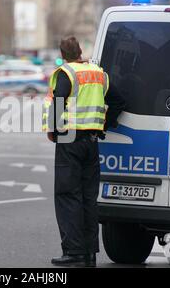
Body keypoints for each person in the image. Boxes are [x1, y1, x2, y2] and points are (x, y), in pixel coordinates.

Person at [42, 37, 126, 267]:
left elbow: (58, 101)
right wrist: (103, 125)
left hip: (70, 140)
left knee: (68, 196)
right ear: (80, 51)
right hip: (91, 142)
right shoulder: (99, 73)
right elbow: (119, 101)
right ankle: (89, 254)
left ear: (62, 54)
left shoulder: (66, 73)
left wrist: (52, 130)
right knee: (89, 198)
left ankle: (74, 253)